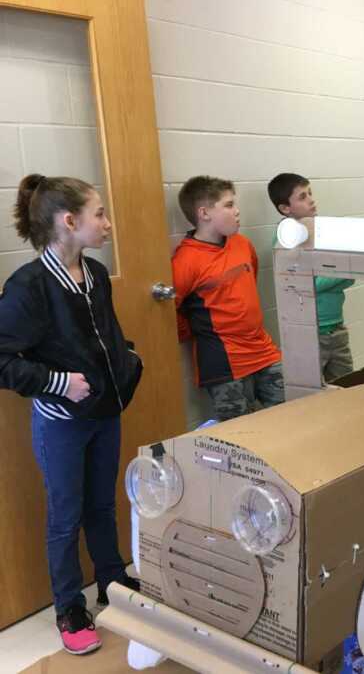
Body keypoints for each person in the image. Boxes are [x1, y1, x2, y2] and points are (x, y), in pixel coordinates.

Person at [0, 175, 143, 655]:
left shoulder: (96, 273)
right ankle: (69, 606)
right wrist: (59, 383)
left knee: (102, 504)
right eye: (99, 213)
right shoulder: (29, 287)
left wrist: (128, 362)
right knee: (66, 515)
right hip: (61, 423)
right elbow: (3, 359)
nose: (107, 223)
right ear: (69, 221)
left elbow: (106, 334)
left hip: (105, 412)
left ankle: (112, 582)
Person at [173, 176, 284, 420]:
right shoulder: (185, 260)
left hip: (262, 349)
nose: (237, 211)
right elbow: (171, 310)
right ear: (204, 213)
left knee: (289, 416)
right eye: (228, 205)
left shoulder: (242, 244)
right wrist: (195, 333)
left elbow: (248, 285)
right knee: (242, 435)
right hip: (224, 361)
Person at [268, 172, 355, 381]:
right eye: (302, 197)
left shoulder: (322, 232)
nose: (311, 200)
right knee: (313, 394)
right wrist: (337, 273)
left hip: (336, 327)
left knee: (348, 387)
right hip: (309, 331)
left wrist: (332, 274)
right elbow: (304, 284)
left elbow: (351, 275)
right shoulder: (286, 239)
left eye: (310, 193)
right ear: (285, 208)